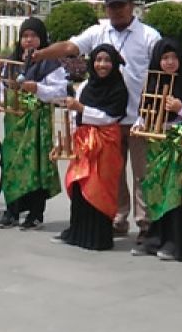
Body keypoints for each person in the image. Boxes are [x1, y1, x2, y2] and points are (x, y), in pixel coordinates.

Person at [32, 0, 161, 241]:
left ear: (132, 6)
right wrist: (40, 55)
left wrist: (153, 113)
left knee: (142, 173)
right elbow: (70, 47)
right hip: (103, 120)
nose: (116, 11)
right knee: (111, 172)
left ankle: (146, 223)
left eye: (121, 5)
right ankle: (118, 217)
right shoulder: (98, 31)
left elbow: (158, 75)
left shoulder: (149, 35)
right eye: (111, 6)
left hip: (137, 116)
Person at [0, 17, 67, 230]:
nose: (28, 40)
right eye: (25, 36)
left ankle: (35, 213)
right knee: (13, 163)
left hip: (37, 122)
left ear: (42, 39)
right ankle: (12, 210)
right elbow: (2, 87)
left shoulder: (50, 63)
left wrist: (39, 89)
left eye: (34, 36)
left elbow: (60, 91)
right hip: (14, 121)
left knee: (36, 164)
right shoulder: (12, 61)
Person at [54, 45, 128, 251]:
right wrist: (63, 142)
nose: (102, 65)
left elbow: (110, 117)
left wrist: (82, 109)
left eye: (107, 60)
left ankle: (98, 237)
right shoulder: (85, 86)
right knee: (80, 185)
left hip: (105, 144)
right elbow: (73, 116)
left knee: (100, 187)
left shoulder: (119, 88)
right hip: (83, 142)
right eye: (98, 60)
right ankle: (77, 232)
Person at [134, 38, 182, 261]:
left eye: (174, 58)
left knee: (177, 192)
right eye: (164, 58)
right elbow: (143, 112)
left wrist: (181, 108)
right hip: (156, 142)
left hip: (178, 139)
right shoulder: (152, 81)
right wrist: (139, 124)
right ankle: (155, 238)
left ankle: (177, 241)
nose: (170, 62)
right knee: (156, 190)